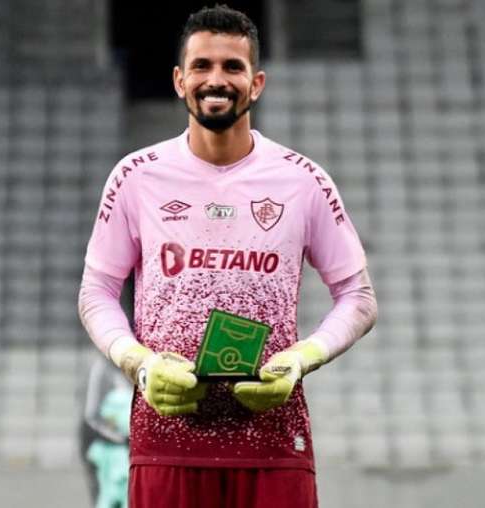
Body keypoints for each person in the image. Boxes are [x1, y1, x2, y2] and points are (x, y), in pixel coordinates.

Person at [77, 5, 377, 508]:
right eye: (202, 66)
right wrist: (139, 363)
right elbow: (96, 292)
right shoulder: (135, 175)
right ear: (179, 80)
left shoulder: (303, 179)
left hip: (273, 441)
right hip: (164, 441)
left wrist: (304, 357)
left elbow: (359, 297)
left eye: (232, 67)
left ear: (256, 83)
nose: (217, 79)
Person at [80, 356, 131, 505]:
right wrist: (124, 438)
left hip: (130, 451)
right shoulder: (102, 367)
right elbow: (91, 416)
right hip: (104, 450)